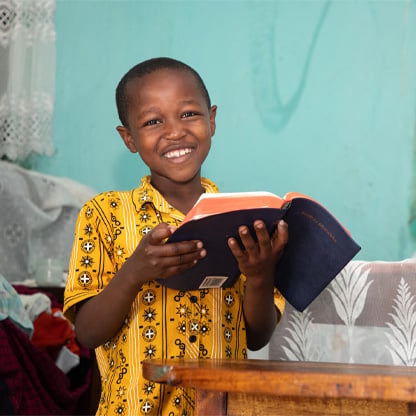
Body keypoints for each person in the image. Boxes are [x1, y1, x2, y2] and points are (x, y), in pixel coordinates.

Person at [63, 57, 288, 416]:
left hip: (218, 409)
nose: (175, 132)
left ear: (211, 120)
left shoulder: (241, 220)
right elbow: (87, 334)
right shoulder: (103, 215)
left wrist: (260, 276)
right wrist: (134, 272)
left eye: (189, 115)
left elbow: (257, 336)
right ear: (129, 138)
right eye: (153, 122)